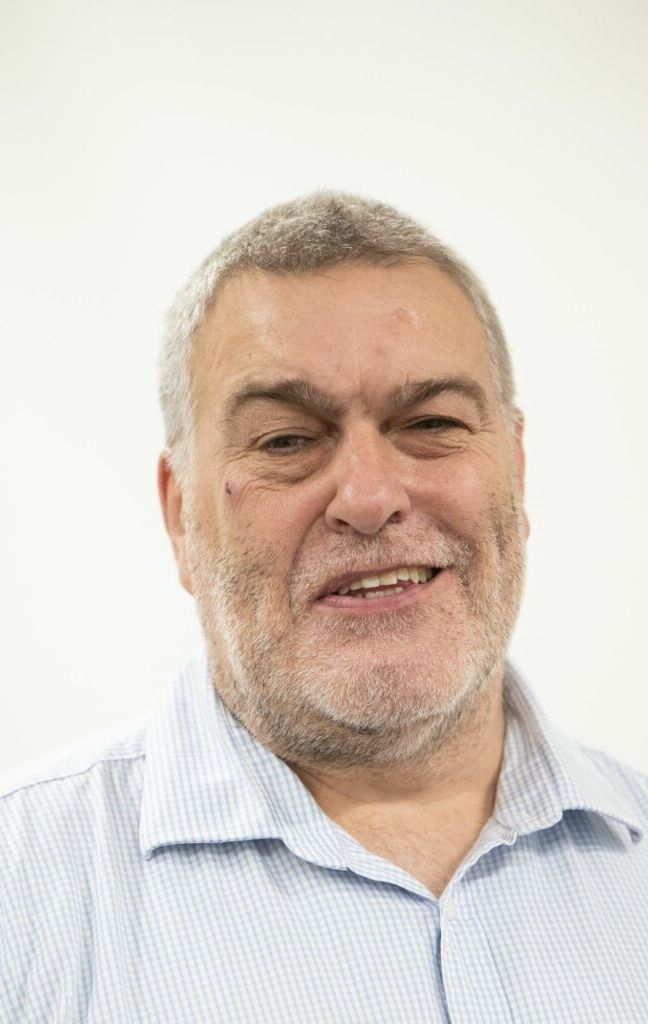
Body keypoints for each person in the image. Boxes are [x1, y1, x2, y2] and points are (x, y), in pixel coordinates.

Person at [1, 192, 647, 1023]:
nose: (370, 498)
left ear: (515, 474)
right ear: (180, 515)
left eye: (431, 422)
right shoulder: (22, 889)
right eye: (286, 440)